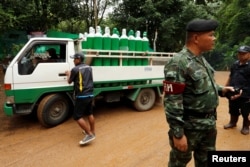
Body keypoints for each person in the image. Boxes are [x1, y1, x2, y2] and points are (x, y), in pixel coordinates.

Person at [163, 19, 237, 167]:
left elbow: (205, 84)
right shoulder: (179, 62)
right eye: (211, 35)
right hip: (190, 127)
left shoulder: (200, 59)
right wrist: (178, 134)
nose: (214, 38)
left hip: (208, 125)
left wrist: (222, 90)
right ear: (196, 38)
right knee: (178, 163)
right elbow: (172, 101)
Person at [65, 52, 96, 145]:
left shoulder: (75, 69)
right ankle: (92, 131)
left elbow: (69, 82)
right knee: (90, 113)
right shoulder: (89, 67)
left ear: (78, 59)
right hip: (90, 94)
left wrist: (68, 74)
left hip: (82, 95)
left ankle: (89, 134)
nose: (73, 61)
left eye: (74, 59)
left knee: (77, 116)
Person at [224, 45, 250, 135]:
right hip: (233, 90)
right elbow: (231, 76)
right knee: (233, 107)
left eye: (243, 54)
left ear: (249, 54)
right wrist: (225, 87)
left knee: (245, 111)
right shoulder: (235, 64)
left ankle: (246, 126)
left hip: (246, 93)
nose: (241, 55)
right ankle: (233, 122)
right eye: (239, 53)